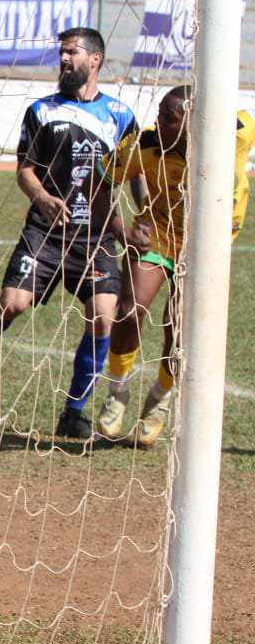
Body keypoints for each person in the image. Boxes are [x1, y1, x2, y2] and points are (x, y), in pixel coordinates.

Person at [0, 27, 138, 442]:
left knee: (104, 315)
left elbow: (135, 172)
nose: (64, 60)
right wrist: (43, 197)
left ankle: (74, 411)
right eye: (62, 53)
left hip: (97, 235)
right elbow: (24, 170)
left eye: (72, 53)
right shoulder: (41, 111)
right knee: (14, 304)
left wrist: (140, 217)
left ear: (95, 60)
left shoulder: (120, 116)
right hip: (45, 233)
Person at [94, 88, 254, 446]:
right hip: (159, 234)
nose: (158, 122)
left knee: (179, 328)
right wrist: (121, 229)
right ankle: (117, 392)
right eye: (159, 114)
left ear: (193, 123)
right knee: (129, 311)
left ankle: (160, 398)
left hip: (207, 244)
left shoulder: (237, 134)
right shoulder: (145, 145)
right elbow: (98, 182)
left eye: (169, 117)